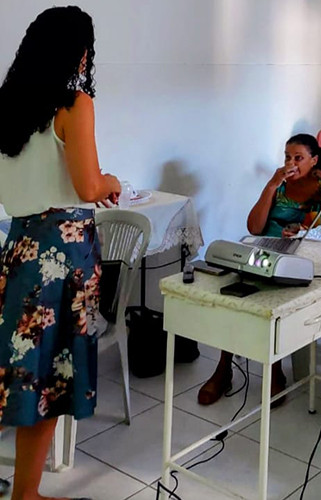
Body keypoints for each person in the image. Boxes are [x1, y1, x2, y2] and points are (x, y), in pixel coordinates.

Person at [0, 7, 121, 499]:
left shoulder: (7, 106)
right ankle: (25, 494)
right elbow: (89, 185)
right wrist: (110, 181)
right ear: (80, 51)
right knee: (48, 376)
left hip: (20, 245)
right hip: (62, 255)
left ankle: (24, 492)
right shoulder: (74, 103)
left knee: (20, 370)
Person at [198, 134, 321, 406]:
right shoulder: (278, 187)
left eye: (298, 158)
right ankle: (224, 367)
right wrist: (270, 186)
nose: (291, 163)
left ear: (313, 161)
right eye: (287, 157)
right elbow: (254, 228)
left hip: (302, 260)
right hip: (265, 254)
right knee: (235, 295)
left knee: (272, 300)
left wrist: (306, 233)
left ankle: (275, 369)